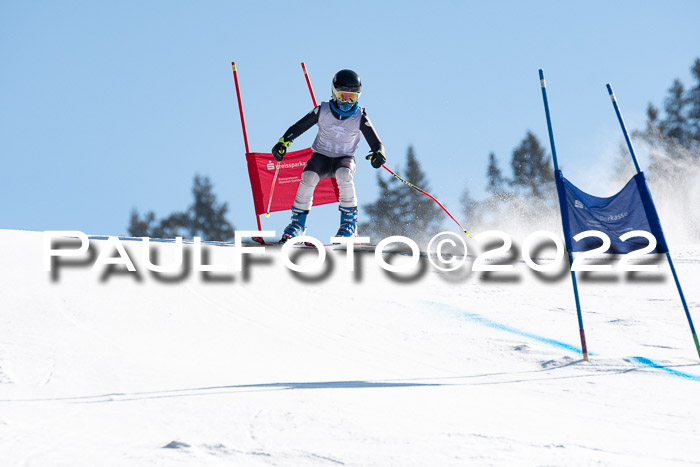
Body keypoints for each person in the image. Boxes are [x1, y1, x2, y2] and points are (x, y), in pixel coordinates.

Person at [271, 69, 385, 243]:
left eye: (352, 97)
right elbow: (300, 126)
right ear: (334, 92)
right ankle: (297, 225)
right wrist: (283, 142)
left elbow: (376, 142)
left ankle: (349, 225)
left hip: (344, 158)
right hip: (321, 157)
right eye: (343, 96)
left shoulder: (359, 115)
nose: (347, 101)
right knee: (308, 176)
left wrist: (378, 153)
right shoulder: (323, 109)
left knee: (344, 175)